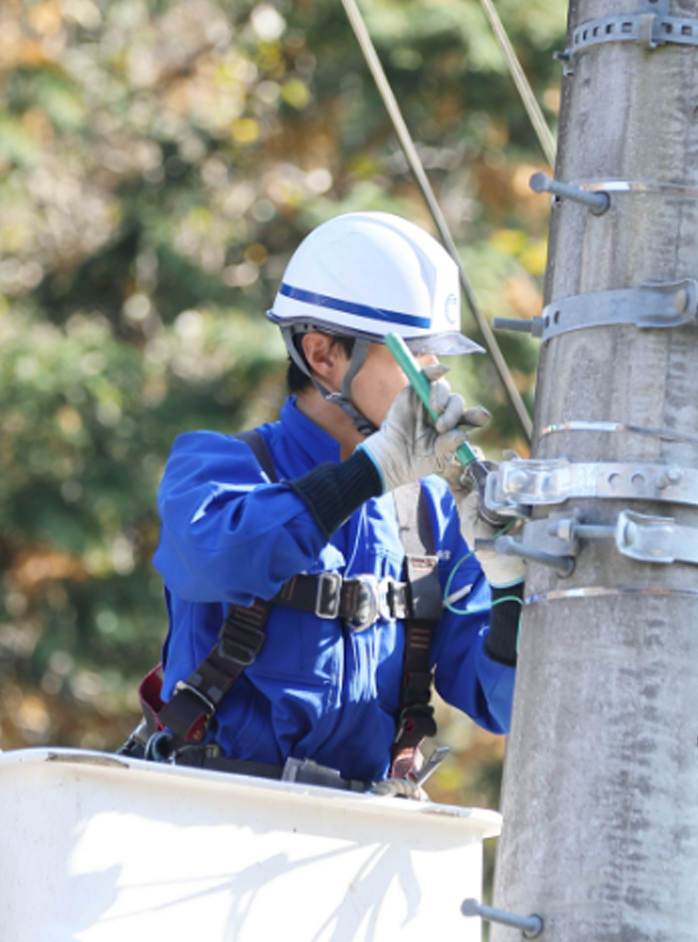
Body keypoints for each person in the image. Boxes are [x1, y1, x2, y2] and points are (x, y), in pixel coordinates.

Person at [145, 211, 524, 792]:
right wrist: (369, 474)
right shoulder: (220, 467)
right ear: (323, 355)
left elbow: (500, 704)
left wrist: (510, 589)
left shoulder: (431, 517)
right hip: (209, 808)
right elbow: (217, 556)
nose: (437, 386)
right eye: (416, 358)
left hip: (351, 832)